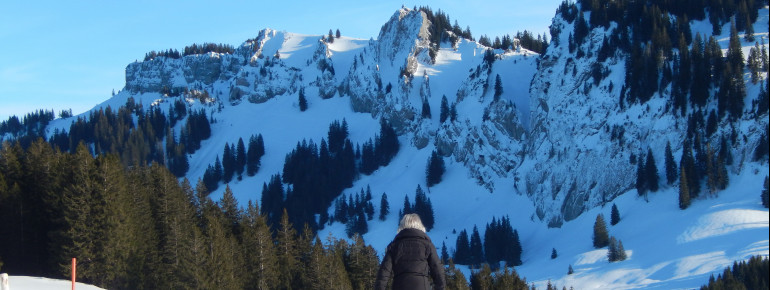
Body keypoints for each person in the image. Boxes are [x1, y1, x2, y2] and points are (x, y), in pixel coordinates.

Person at [375, 213, 445, 290]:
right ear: (420, 226)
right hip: (421, 286)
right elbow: (437, 270)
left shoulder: (394, 246)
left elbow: (384, 272)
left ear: (402, 226)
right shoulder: (427, 245)